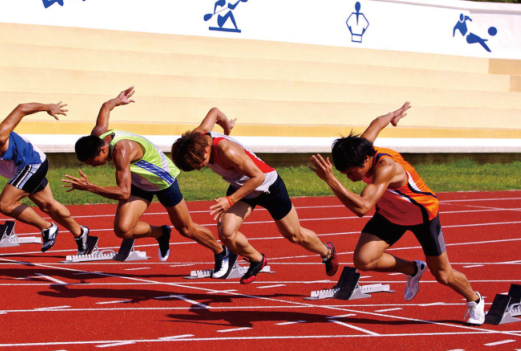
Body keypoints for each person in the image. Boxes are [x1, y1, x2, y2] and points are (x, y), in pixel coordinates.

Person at [308, 102, 485, 325]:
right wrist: (392, 115)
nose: (350, 177)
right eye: (344, 174)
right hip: (390, 213)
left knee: (443, 275)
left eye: (353, 172)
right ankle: (413, 269)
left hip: (422, 215)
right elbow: (376, 123)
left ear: (366, 160)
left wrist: (331, 180)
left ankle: (475, 300)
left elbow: (362, 208)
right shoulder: (362, 148)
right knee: (363, 260)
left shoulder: (386, 168)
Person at [64, 87, 231, 272]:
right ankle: (161, 233)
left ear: (103, 150)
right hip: (139, 181)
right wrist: (118, 100)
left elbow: (123, 192)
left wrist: (90, 187)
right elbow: (105, 107)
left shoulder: (121, 151)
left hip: (162, 181)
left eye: (93, 162)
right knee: (123, 229)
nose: (93, 166)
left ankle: (220, 252)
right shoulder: (98, 135)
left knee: (186, 229)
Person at [170, 108, 338, 284]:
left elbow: (258, 177)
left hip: (267, 185)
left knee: (294, 235)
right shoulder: (197, 137)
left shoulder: (227, 151)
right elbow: (215, 112)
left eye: (200, 164)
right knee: (226, 233)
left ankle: (327, 252)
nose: (200, 168)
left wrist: (230, 200)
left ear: (205, 151)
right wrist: (227, 125)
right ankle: (257, 259)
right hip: (242, 187)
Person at [0, 102, 89, 253]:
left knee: (5, 204)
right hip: (20, 171)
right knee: (48, 205)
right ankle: (81, 233)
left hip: (32, 163)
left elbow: (21, 109)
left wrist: (47, 107)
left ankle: (47, 228)